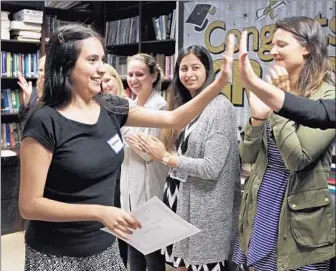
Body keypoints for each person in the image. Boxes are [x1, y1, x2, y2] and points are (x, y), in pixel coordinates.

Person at [19, 24, 234, 271]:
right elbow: (29, 205)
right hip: (56, 254)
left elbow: (173, 119)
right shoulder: (45, 121)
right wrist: (99, 212)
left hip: (104, 247)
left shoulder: (110, 107)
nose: (101, 68)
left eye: (102, 59)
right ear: (66, 66)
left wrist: (217, 86)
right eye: (92, 60)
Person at [233, 16, 335, 271]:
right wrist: (257, 119)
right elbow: (246, 156)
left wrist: (277, 110)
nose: (272, 51)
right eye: (271, 45)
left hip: (299, 215)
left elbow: (298, 159)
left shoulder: (327, 96)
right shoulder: (272, 88)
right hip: (262, 201)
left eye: (281, 44)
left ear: (307, 47)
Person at [133, 45, 241, 271]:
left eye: (195, 68)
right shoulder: (184, 105)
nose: (189, 74)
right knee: (176, 265)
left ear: (208, 70)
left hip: (204, 208)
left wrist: (166, 158)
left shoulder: (219, 108)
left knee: (201, 264)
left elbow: (212, 167)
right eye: (183, 68)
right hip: (178, 200)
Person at [120, 53, 168, 271]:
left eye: (139, 74)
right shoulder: (129, 105)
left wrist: (126, 132)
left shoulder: (160, 107)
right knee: (133, 249)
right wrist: (132, 136)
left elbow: (150, 152)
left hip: (149, 187)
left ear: (153, 76)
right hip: (129, 184)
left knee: (151, 253)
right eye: (130, 74)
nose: (133, 79)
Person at [236, 60, 335, 129]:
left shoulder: (326, 94)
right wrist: (257, 120)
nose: (274, 51)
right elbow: (248, 156)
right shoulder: (274, 86)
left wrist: (279, 104)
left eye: (282, 44)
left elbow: (301, 157)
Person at [100, 63, 128, 267]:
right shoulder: (100, 109)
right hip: (108, 177)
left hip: (126, 177)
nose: (104, 85)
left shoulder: (127, 106)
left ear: (116, 78)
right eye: (100, 82)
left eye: (107, 79)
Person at [17, 55, 46, 126]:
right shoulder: (32, 91)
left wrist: (40, 98)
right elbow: (22, 118)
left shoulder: (57, 94)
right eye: (40, 70)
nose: (43, 74)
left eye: (46, 69)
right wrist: (27, 100)